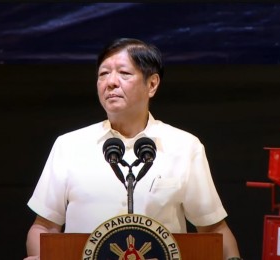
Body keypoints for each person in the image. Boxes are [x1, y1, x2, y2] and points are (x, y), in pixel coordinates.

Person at [25, 38, 242, 260]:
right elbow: (44, 228)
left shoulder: (184, 146)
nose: (110, 82)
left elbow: (213, 229)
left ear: (152, 84)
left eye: (124, 73)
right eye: (103, 74)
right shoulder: (69, 145)